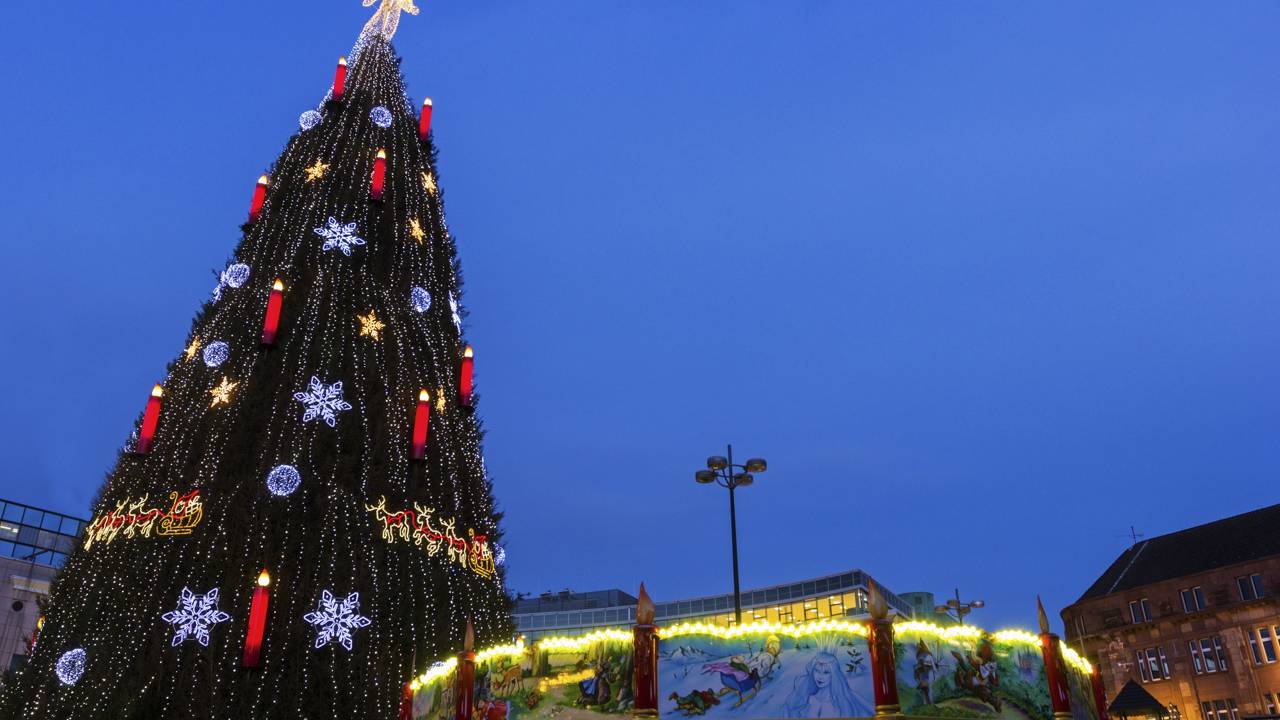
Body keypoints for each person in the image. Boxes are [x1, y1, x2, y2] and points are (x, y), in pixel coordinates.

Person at [783, 652, 873, 718]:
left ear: (833, 675)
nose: (820, 677)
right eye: (817, 671)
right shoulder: (807, 699)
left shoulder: (841, 701)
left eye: (826, 672)